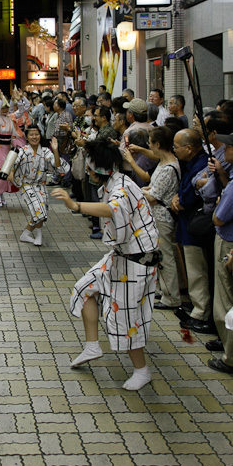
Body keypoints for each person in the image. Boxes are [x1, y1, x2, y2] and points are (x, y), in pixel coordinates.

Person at [52, 138, 159, 391]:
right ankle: (92, 345)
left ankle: (142, 371)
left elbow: (113, 209)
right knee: (84, 287)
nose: (87, 172)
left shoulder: (121, 187)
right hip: (120, 256)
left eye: (89, 168)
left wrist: (75, 205)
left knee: (127, 317)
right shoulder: (114, 183)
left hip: (136, 262)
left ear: (97, 169)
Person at [171, 129, 214, 334]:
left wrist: (182, 199)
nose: (174, 150)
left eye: (176, 147)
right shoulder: (191, 163)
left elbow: (190, 195)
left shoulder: (202, 163)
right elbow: (184, 189)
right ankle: (198, 306)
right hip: (187, 222)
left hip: (196, 225)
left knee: (198, 271)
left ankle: (201, 311)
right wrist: (177, 197)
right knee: (193, 268)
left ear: (189, 148)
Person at [141, 127, 182, 309]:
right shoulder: (162, 163)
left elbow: (153, 196)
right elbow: (151, 188)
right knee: (161, 255)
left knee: (166, 257)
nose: (149, 146)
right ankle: (165, 289)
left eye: (150, 143)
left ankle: (171, 297)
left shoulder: (169, 167)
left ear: (158, 144)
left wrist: (138, 191)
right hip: (156, 215)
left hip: (163, 217)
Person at [9, 126, 68, 245]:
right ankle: (38, 236)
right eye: (31, 134)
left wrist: (55, 150)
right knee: (38, 211)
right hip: (26, 185)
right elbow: (12, 166)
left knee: (42, 212)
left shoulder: (45, 151)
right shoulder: (22, 151)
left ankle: (26, 234)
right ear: (26, 136)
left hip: (41, 185)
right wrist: (12, 177)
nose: (34, 137)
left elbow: (57, 165)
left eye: (36, 134)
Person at [210, 128, 233, 373]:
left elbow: (219, 219)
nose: (223, 150)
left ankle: (229, 355)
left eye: (228, 148)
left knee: (225, 298)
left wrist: (219, 205)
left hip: (228, 242)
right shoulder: (230, 179)